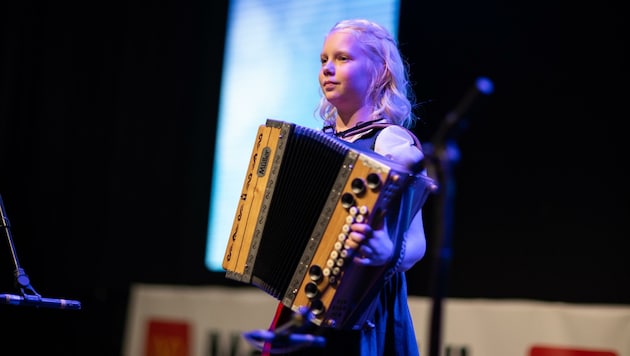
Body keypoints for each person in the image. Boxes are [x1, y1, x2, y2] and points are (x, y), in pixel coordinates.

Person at [262, 18, 432, 356]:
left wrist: (388, 254)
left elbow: (417, 243)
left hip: (362, 309)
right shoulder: (319, 141)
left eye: (343, 58)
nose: (327, 68)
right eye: (323, 60)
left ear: (380, 71)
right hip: (306, 303)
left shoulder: (391, 142)